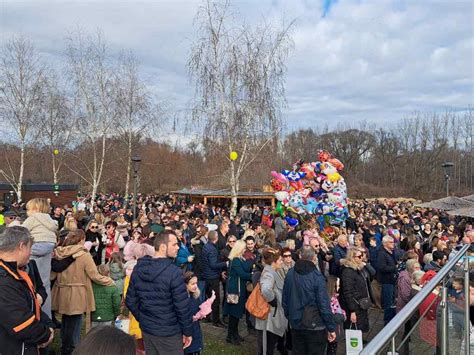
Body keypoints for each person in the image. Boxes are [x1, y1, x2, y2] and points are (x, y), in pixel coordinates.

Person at [125, 230, 193, 355]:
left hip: (150, 330)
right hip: (168, 334)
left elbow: (130, 300)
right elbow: (182, 308)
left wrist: (144, 319)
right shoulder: (174, 273)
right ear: (162, 247)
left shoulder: (139, 268)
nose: (178, 247)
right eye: (174, 244)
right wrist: (187, 332)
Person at [52, 229, 115, 355]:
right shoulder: (83, 255)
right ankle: (72, 349)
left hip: (62, 290)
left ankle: (65, 346)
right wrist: (109, 281)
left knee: (65, 320)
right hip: (77, 293)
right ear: (81, 240)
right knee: (75, 323)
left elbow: (53, 274)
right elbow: (94, 275)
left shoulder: (59, 252)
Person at [0, 226, 55, 355]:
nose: (31, 252)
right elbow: (21, 323)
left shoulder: (15, 272)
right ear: (21, 246)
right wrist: (45, 335)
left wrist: (48, 325)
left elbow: (30, 304)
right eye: (30, 247)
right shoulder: (4, 280)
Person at [282, 246, 336, 354]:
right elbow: (324, 305)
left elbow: (285, 301)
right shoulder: (317, 277)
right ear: (314, 258)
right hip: (315, 326)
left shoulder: (290, 274)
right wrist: (331, 328)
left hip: (297, 323)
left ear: (300, 256)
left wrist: (290, 316)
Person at [22, 198, 58, 318]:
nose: (27, 211)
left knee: (32, 282)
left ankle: (33, 315)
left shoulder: (33, 218)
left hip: (36, 247)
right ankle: (47, 316)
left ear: (35, 209)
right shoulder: (50, 220)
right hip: (48, 247)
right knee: (45, 283)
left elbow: (22, 231)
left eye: (28, 208)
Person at [255, 248, 288, 355]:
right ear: (273, 262)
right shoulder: (269, 273)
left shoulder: (274, 271)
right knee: (268, 345)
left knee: (270, 342)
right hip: (270, 315)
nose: (282, 262)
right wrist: (272, 300)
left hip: (273, 314)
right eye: (280, 260)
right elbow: (265, 289)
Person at [223, 239, 253, 345]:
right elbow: (243, 274)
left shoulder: (240, 259)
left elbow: (246, 268)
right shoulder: (235, 260)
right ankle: (230, 336)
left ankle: (235, 334)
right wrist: (254, 275)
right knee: (234, 315)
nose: (245, 249)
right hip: (235, 291)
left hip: (239, 290)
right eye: (244, 247)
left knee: (237, 315)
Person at [339, 248, 371, 338]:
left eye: (362, 255)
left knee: (359, 328)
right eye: (359, 256)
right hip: (355, 305)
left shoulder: (358, 269)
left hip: (360, 304)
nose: (362, 258)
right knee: (354, 329)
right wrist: (352, 310)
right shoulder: (348, 272)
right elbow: (348, 293)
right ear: (352, 257)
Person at [202, 230, 227, 327]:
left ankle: (208, 316)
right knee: (215, 299)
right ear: (216, 238)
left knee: (209, 298)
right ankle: (216, 321)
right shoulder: (212, 249)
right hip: (212, 277)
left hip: (207, 276)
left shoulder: (206, 246)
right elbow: (213, 264)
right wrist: (226, 263)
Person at [377, 235, 398, 325]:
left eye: (393, 242)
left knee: (392, 301)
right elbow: (382, 267)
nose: (393, 244)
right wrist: (394, 268)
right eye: (391, 242)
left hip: (392, 280)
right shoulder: (382, 254)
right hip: (387, 281)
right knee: (388, 302)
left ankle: (391, 320)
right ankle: (387, 322)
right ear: (385, 243)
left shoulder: (391, 252)